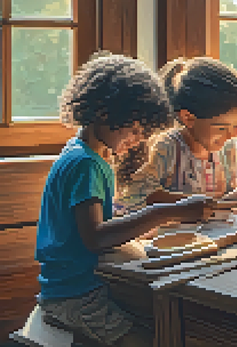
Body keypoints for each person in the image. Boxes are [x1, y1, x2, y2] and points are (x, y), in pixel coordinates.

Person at [35, 53, 215, 346]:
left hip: (71, 287)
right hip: (74, 295)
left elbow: (90, 226)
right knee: (156, 338)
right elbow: (94, 237)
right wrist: (162, 212)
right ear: (105, 113)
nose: (137, 140)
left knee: (154, 317)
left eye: (142, 133)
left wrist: (140, 226)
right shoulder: (86, 164)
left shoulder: (80, 152)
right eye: (133, 129)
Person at [116, 57, 237, 213]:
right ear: (188, 118)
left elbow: (221, 202)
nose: (233, 134)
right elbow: (137, 197)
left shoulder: (226, 150)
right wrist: (189, 204)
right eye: (222, 128)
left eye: (236, 125)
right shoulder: (165, 148)